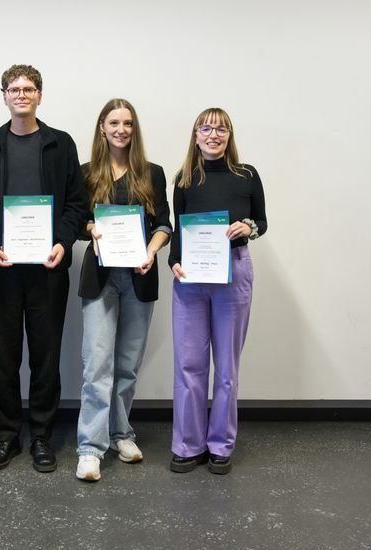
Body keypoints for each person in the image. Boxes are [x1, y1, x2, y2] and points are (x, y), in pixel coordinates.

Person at [0, 65, 86, 473]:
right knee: (5, 356)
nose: (21, 95)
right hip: (1, 268)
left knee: (46, 357)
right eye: (14, 89)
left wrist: (63, 243)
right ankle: (5, 437)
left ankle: (42, 438)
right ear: (4, 96)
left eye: (29, 88)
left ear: (39, 95)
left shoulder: (60, 145)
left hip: (48, 268)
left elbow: (76, 205)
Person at [75, 99, 172, 482]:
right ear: (102, 127)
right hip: (100, 277)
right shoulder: (86, 174)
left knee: (127, 365)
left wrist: (151, 250)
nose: (121, 129)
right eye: (114, 122)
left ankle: (121, 433)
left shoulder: (153, 173)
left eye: (128, 123)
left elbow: (165, 224)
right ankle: (89, 448)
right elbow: (77, 219)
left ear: (135, 128)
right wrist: (90, 231)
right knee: (97, 364)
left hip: (139, 276)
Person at [168, 107, 267, 475]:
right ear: (195, 136)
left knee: (226, 366)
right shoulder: (183, 180)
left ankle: (220, 445)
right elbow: (179, 231)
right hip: (190, 279)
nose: (214, 134)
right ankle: (188, 445)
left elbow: (262, 222)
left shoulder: (247, 175)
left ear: (230, 136)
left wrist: (248, 228)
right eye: (206, 128)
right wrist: (173, 262)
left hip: (234, 273)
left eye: (221, 129)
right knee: (189, 364)